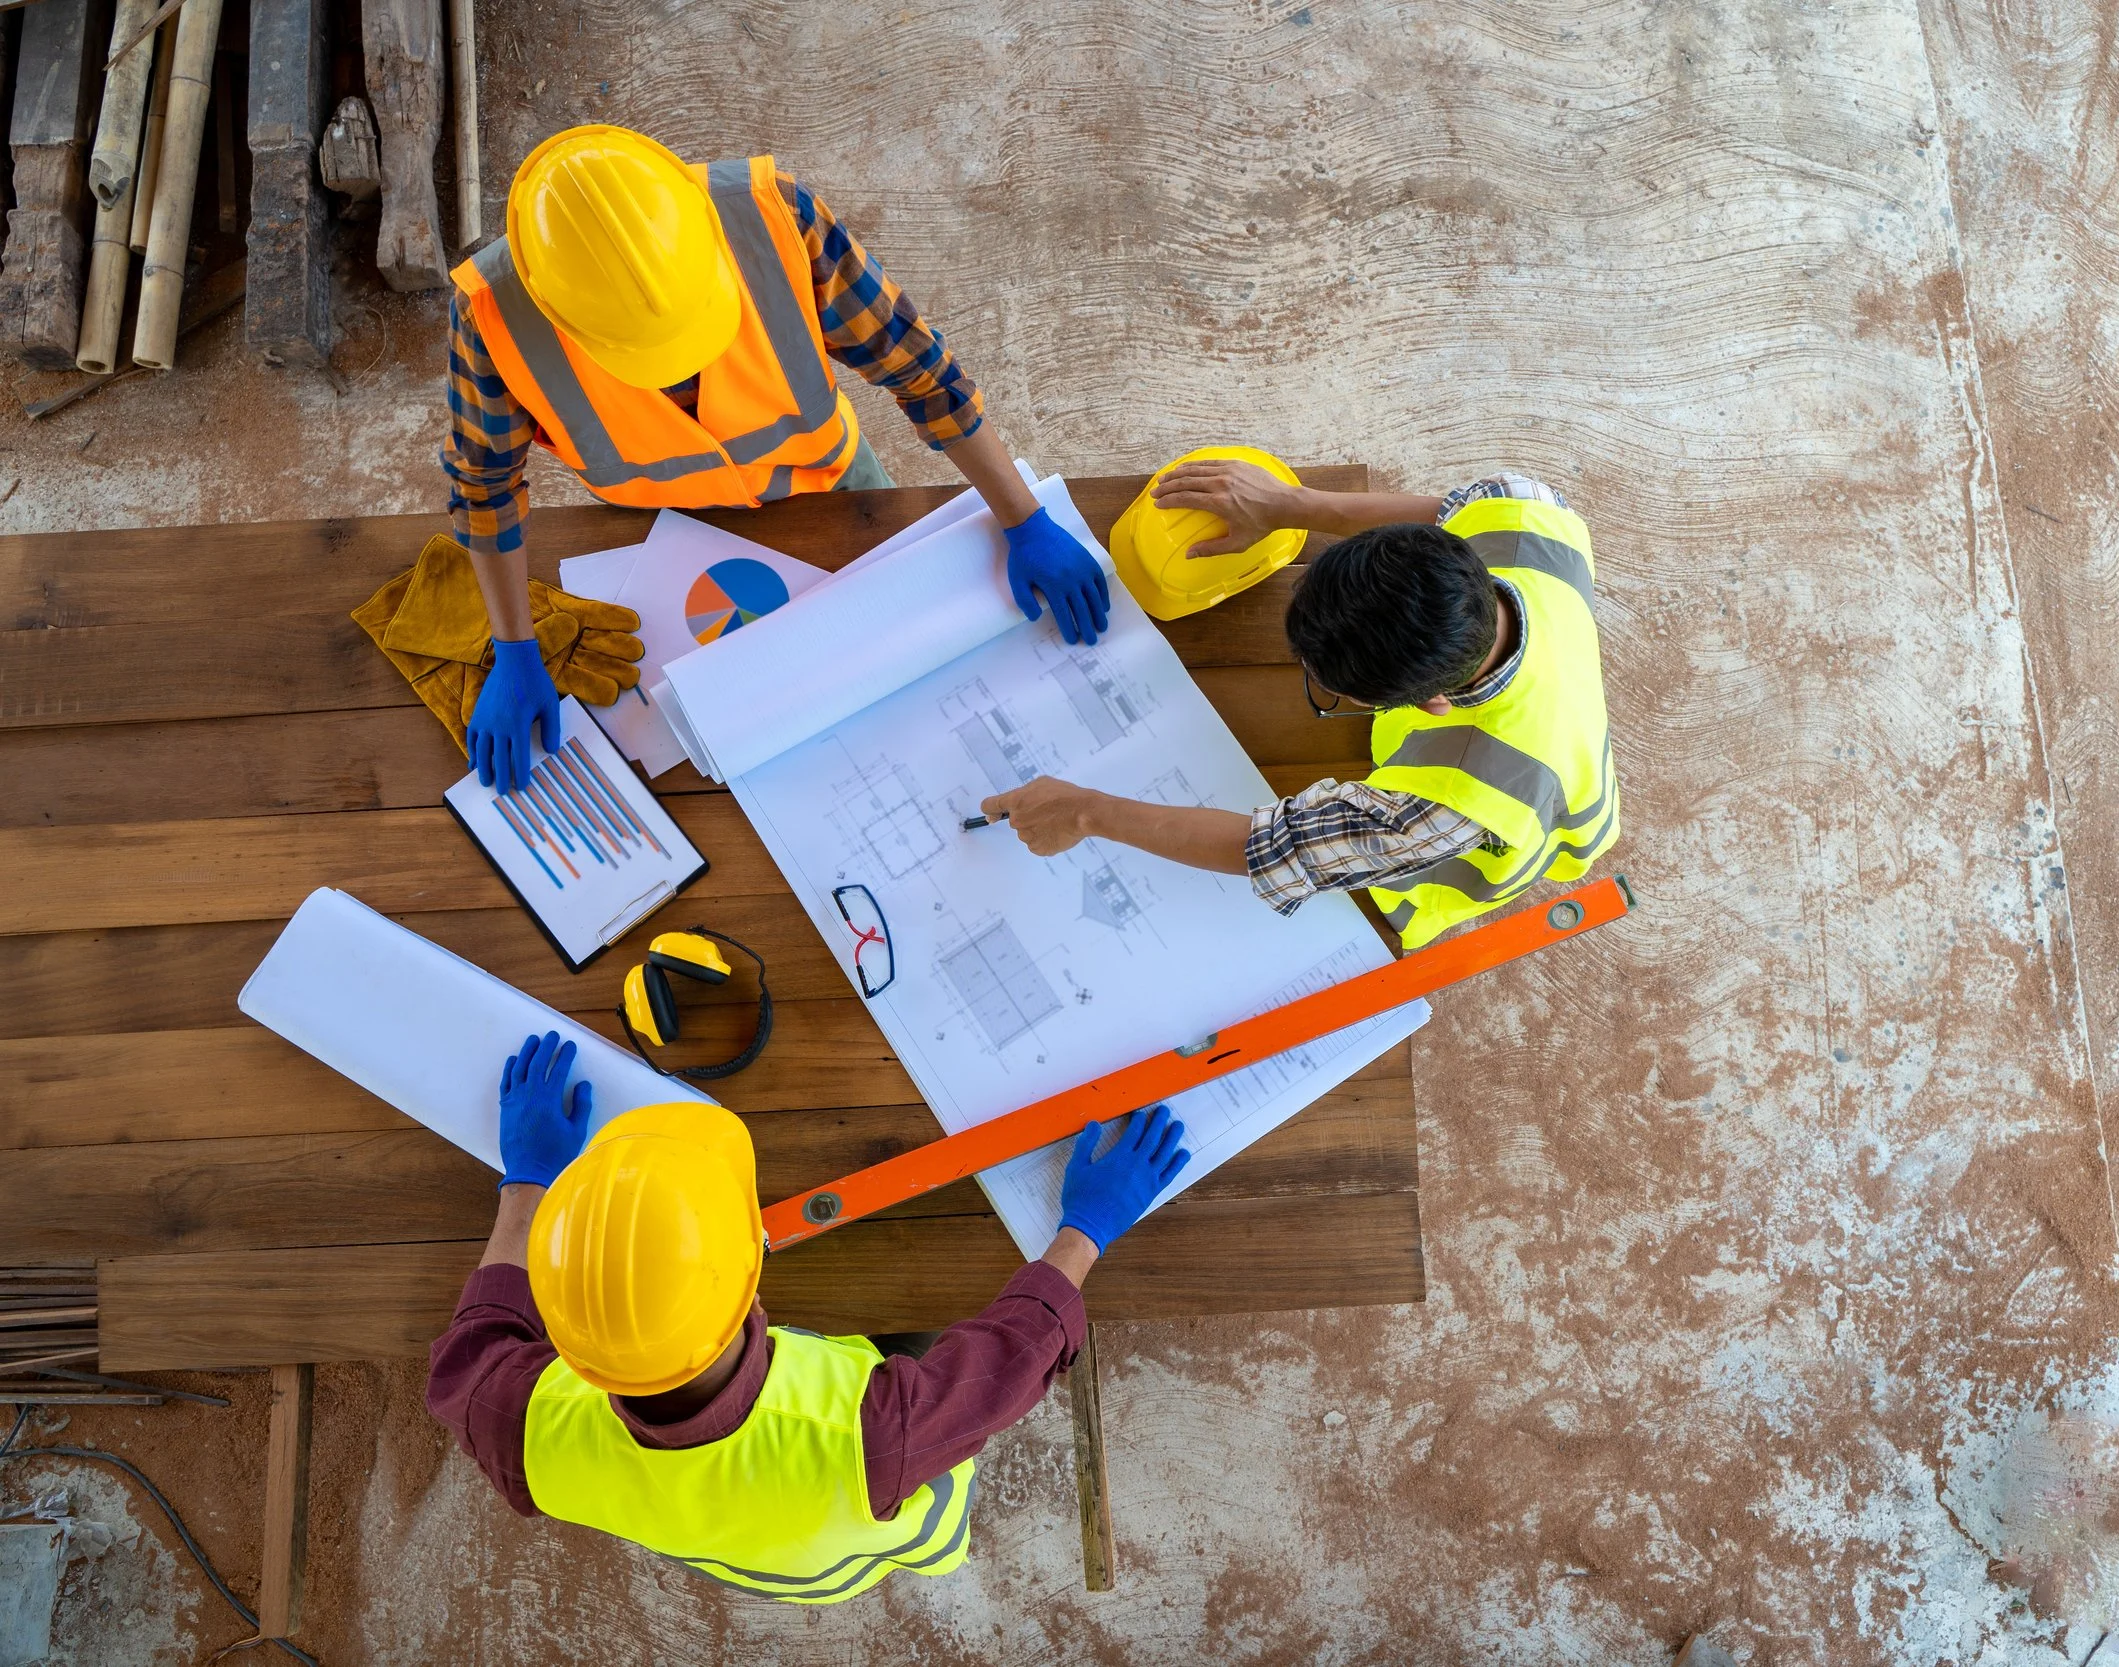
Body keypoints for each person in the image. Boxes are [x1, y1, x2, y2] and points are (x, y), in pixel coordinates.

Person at [444, 124, 1110, 791]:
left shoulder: (776, 220)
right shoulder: (492, 319)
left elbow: (921, 370)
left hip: (834, 489)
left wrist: (1022, 517)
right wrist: (513, 646)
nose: (683, 372)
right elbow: (484, 488)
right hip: (658, 531)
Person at [426, 1033, 1187, 1602]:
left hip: (750, 1548)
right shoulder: (875, 1433)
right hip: (862, 1540)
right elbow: (1007, 1360)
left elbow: (472, 1350)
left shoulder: (523, 1427)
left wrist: (526, 1181)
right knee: (923, 1358)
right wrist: (1087, 1228)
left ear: (568, 1346)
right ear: (754, 1285)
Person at [979, 462, 1617, 948]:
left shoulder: (1450, 811)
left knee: (1414, 890)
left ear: (1430, 705)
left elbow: (1272, 851)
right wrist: (1291, 506)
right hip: (1550, 687)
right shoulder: (1523, 513)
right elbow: (1450, 510)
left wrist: (1086, 812)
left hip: (1519, 835)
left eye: (1331, 688)